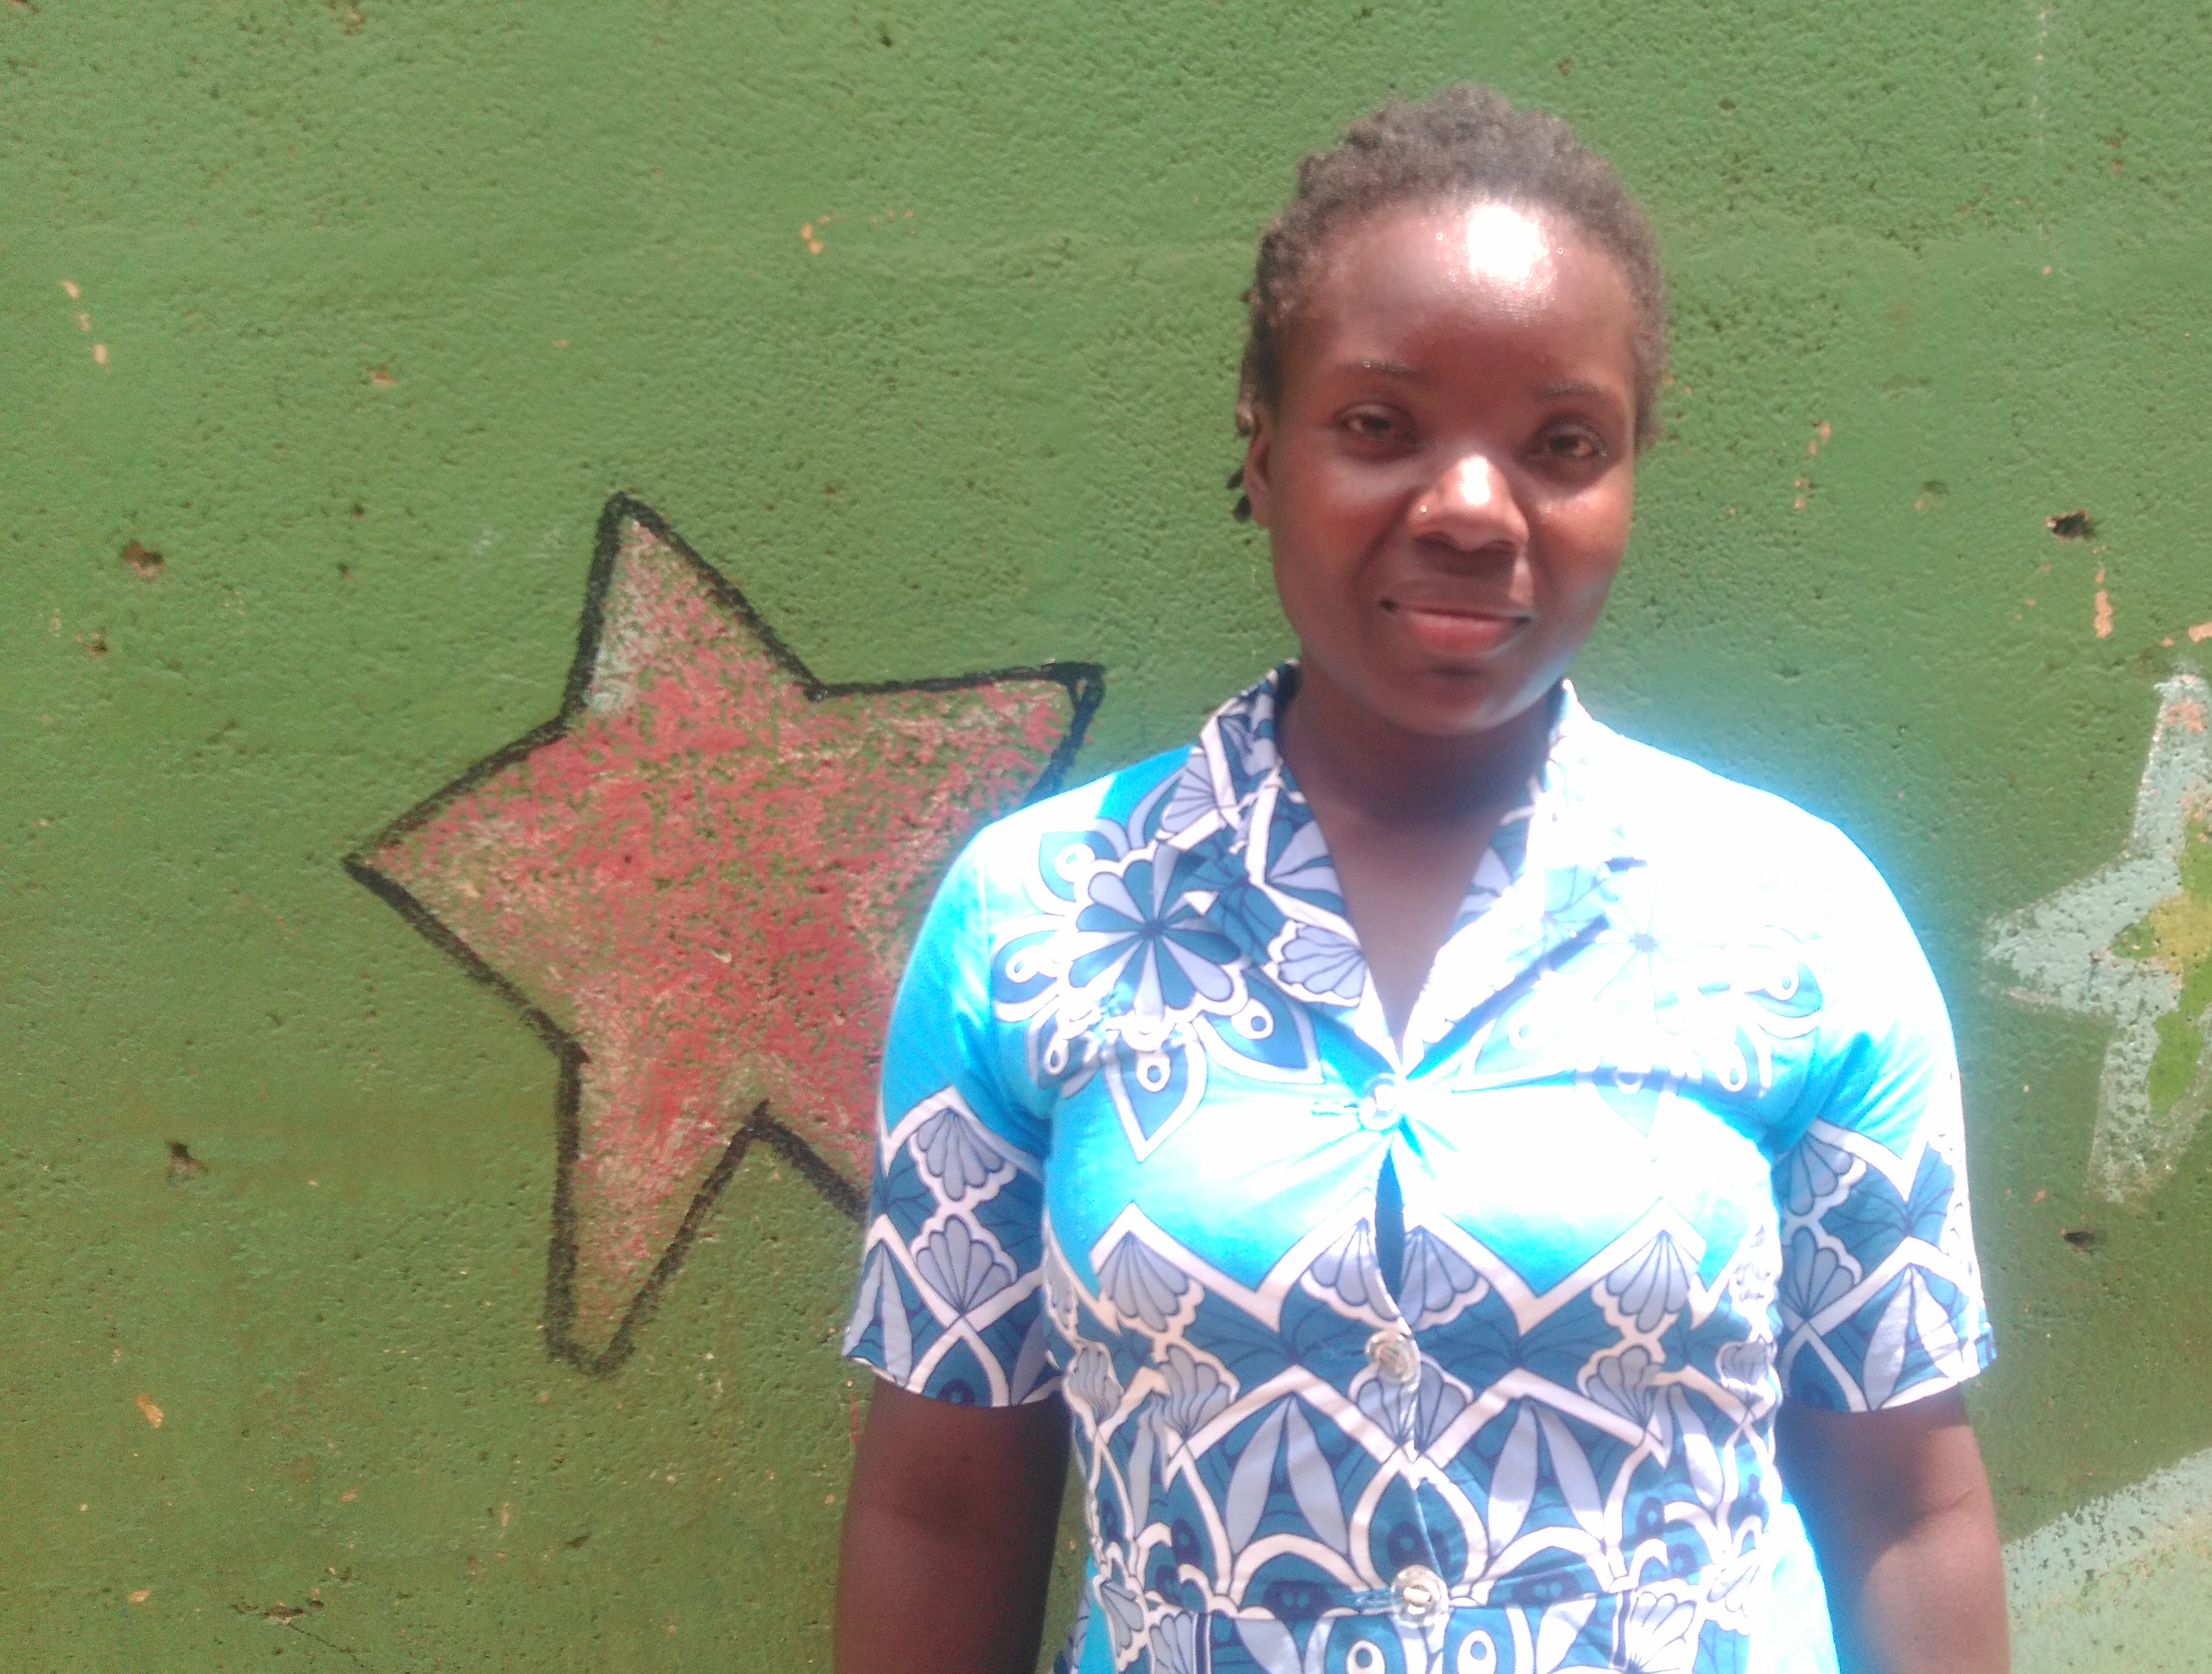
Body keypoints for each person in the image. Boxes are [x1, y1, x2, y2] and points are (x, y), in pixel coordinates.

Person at [833, 86, 2006, 1674]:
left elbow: (1906, 1508)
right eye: (1381, 427)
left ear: (1631, 477)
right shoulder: (1041, 919)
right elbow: (946, 1510)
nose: (1470, 508)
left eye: (1562, 446)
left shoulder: (1792, 921)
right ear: (1263, 448)